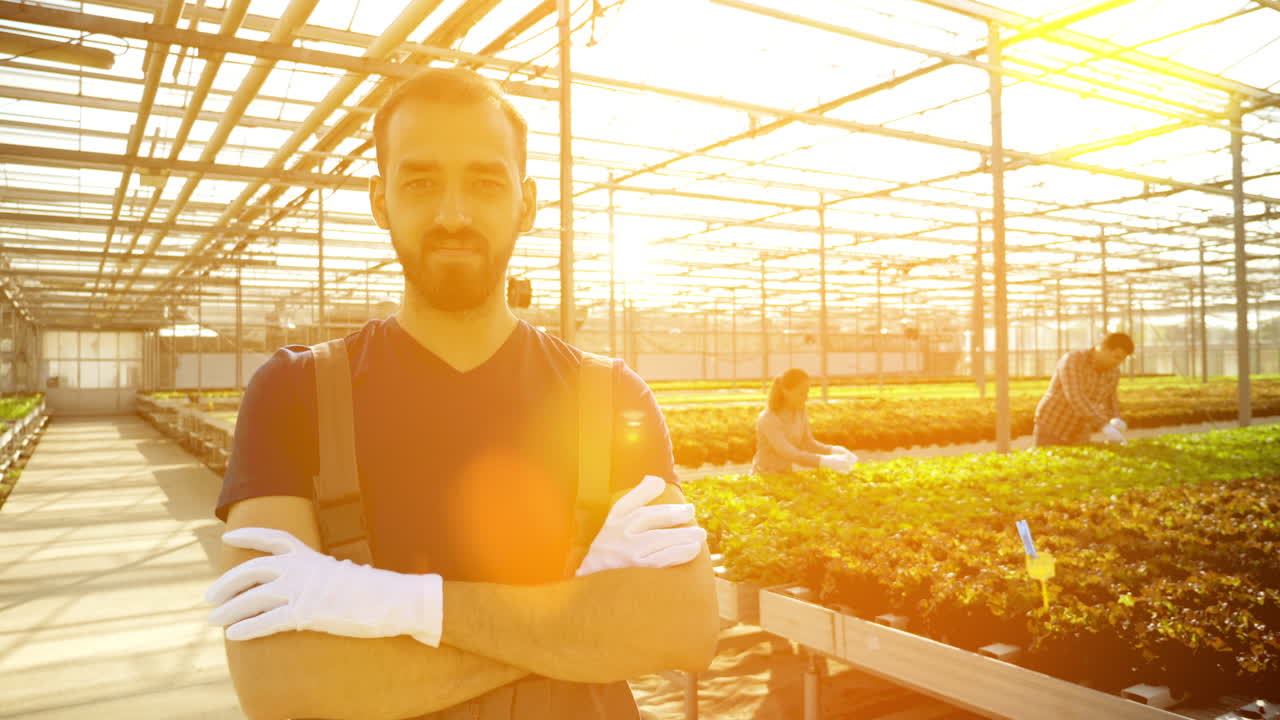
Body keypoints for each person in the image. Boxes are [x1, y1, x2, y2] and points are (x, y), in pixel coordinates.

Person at [203, 68, 718, 720]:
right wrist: (580, 620)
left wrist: (387, 605)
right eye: (420, 182)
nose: (453, 213)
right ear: (379, 201)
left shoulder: (611, 398)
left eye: (484, 181)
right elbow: (281, 685)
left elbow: (685, 626)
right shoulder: (294, 395)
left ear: (527, 204)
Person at [1033, 332, 1135, 447]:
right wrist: (1104, 426)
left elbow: (1111, 400)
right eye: (1116, 357)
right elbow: (1075, 396)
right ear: (1103, 348)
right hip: (1053, 425)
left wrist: (1115, 420)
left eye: (1122, 360)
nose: (1118, 363)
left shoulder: (1113, 372)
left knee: (1077, 463)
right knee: (1050, 462)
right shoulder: (1074, 360)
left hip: (1080, 430)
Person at [752, 368, 857, 475]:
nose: (806, 398)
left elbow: (808, 443)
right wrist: (823, 461)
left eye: (807, 392)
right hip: (764, 475)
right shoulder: (769, 418)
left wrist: (834, 450)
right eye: (801, 393)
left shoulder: (800, 412)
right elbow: (789, 453)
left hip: (785, 474)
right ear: (785, 391)